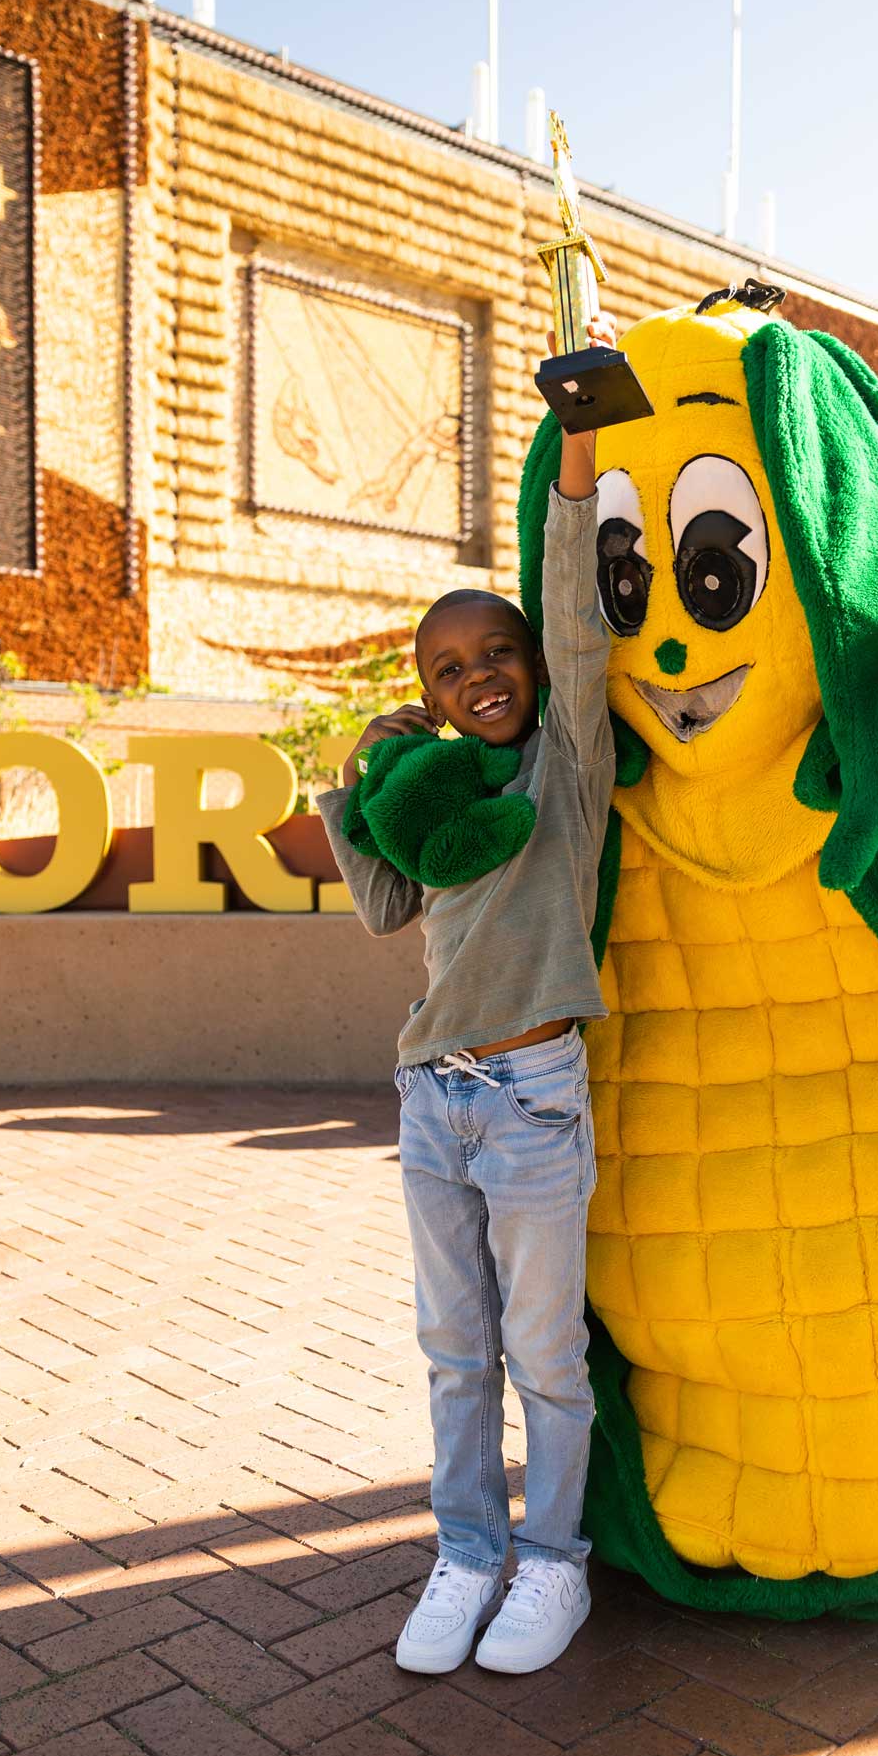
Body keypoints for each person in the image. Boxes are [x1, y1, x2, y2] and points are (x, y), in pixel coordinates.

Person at [317, 322, 617, 1677]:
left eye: (494, 653)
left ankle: (554, 1565)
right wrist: (348, 792)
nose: (477, 675)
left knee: (546, 1358)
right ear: (427, 693)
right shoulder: (431, 801)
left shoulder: (562, 771)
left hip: (540, 1098)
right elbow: (383, 914)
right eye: (446, 670)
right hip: (432, 1102)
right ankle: (465, 1554)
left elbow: (574, 613)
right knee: (455, 1356)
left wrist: (579, 453)